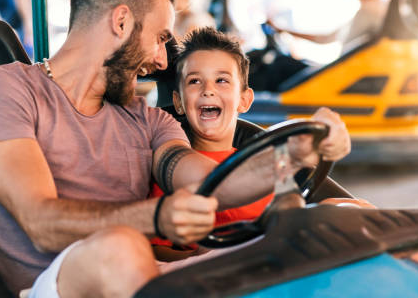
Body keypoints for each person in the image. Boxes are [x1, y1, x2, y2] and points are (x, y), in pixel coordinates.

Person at [0, 0, 351, 297]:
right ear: (121, 21)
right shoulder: (3, 91)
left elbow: (214, 182)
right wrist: (156, 217)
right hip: (54, 287)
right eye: (161, 37)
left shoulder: (146, 120)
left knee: (335, 220)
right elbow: (39, 221)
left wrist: (297, 153)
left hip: (147, 280)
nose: (163, 59)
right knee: (120, 248)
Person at [150, 27, 369, 261]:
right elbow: (157, 251)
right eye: (195, 81)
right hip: (235, 272)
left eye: (221, 80)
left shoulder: (263, 159)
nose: (208, 91)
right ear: (179, 102)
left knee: (355, 208)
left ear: (244, 100)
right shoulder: (175, 172)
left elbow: (291, 203)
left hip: (289, 257)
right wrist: (205, 254)